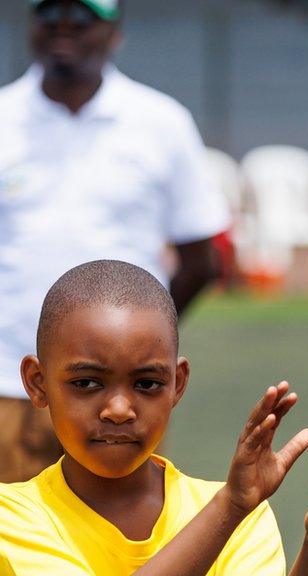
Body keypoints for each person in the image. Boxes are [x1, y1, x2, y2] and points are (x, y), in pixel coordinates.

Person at [0, 260, 308, 574]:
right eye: (86, 383)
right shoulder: (12, 517)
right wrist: (230, 507)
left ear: (178, 384)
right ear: (37, 384)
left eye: (147, 384)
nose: (119, 410)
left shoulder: (240, 517)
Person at [0, 0, 229, 482]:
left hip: (119, 397)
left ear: (115, 32)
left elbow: (201, 261)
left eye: (82, 18)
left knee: (123, 546)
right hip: (7, 385)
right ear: (31, 27)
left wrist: (140, 347)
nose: (64, 29)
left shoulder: (161, 123)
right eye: (49, 16)